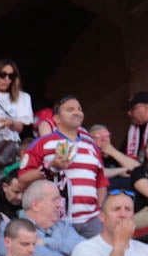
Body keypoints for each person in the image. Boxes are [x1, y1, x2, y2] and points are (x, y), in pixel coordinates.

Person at [17, 96, 106, 238]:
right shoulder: (41, 144)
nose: (77, 112)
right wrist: (51, 167)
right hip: (56, 222)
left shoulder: (92, 146)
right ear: (56, 119)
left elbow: (101, 182)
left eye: (79, 109)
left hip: (91, 221)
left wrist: (100, 210)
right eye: (70, 109)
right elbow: (22, 180)